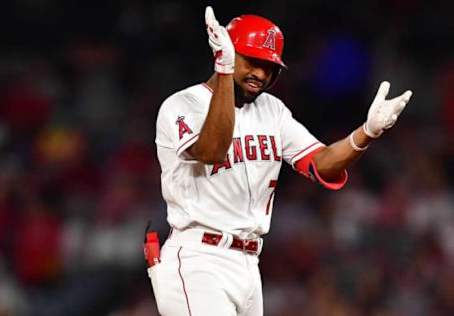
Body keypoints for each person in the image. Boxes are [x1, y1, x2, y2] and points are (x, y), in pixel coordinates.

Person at [150, 6, 412, 316]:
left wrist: (366, 133)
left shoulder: (272, 110)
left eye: (269, 67)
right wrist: (224, 69)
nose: (260, 74)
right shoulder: (182, 105)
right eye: (251, 61)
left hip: (248, 263)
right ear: (226, 54)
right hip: (196, 260)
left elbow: (321, 163)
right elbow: (212, 150)